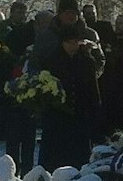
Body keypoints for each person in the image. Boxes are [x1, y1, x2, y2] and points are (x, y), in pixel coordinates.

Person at [38, 20, 103, 168]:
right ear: (63, 42)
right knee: (55, 159)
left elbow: (93, 90)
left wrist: (95, 114)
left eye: (76, 42)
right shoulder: (52, 61)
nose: (73, 46)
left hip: (80, 115)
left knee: (79, 158)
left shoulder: (86, 61)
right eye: (70, 42)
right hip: (58, 117)